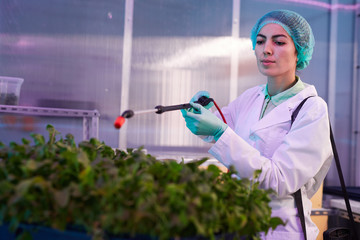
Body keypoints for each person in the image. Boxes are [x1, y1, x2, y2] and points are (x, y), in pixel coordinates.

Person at [181, 10, 333, 240]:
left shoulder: (312, 109)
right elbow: (219, 131)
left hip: (280, 231)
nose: (266, 49)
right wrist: (201, 114)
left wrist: (218, 131)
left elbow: (280, 180)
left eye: (279, 42)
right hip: (240, 224)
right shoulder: (251, 97)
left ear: (298, 50)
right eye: (260, 41)